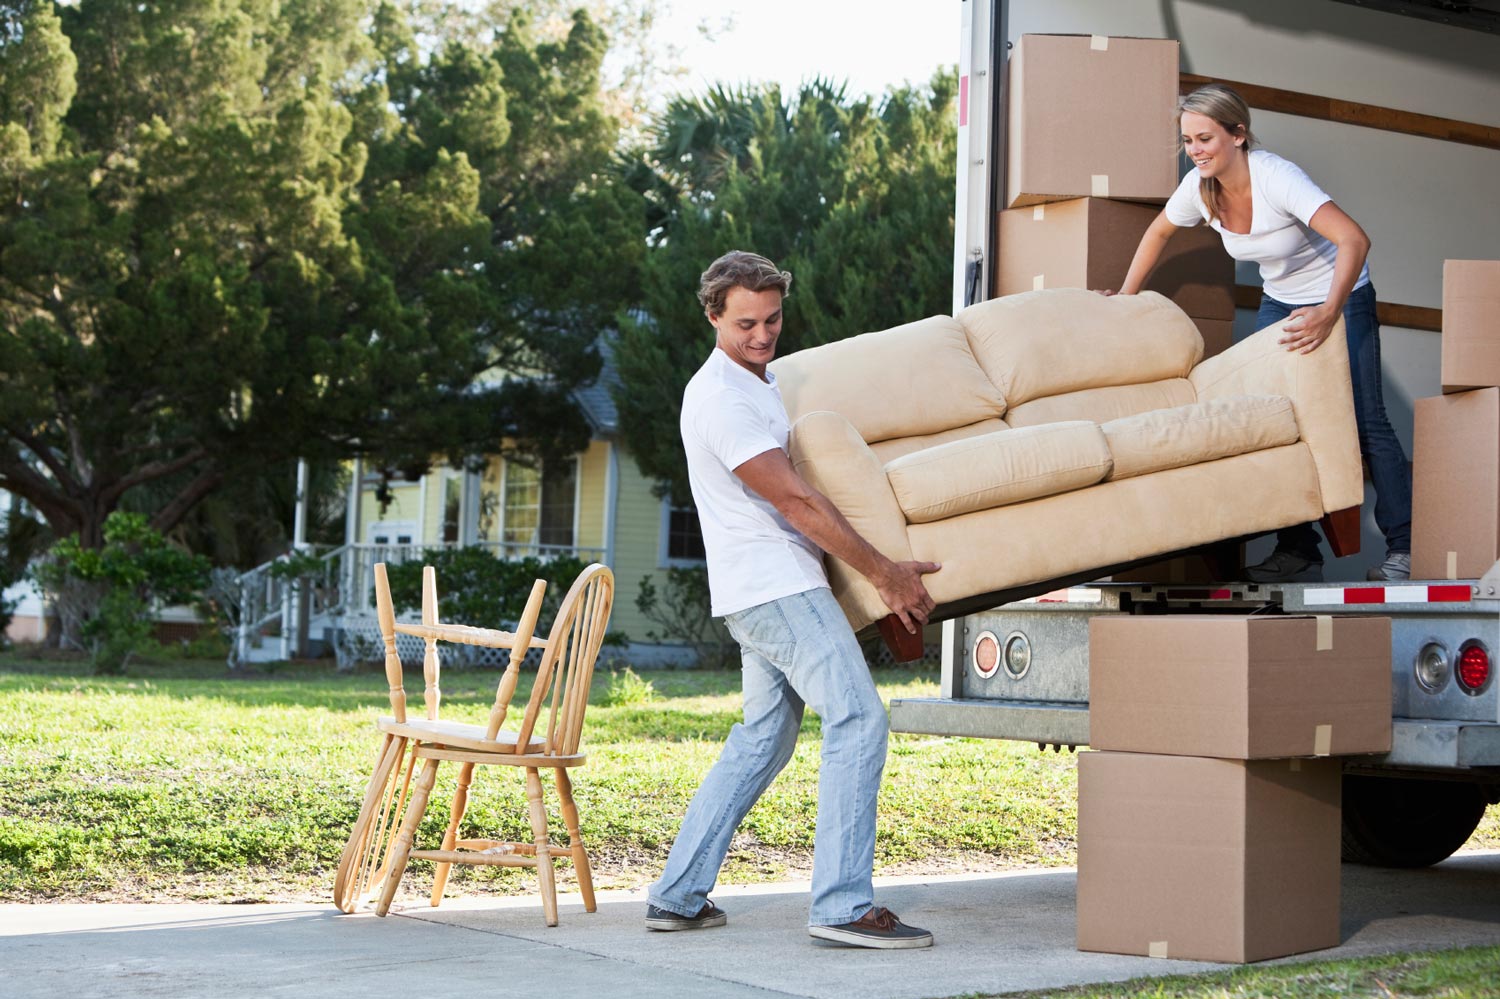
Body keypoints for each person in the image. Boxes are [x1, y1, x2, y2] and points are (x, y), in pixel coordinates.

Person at [644, 250, 941, 949]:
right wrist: (884, 573)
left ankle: (677, 894)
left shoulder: (757, 382)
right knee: (860, 717)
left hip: (759, 587)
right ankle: (841, 904)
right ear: (712, 314)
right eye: (745, 321)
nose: (762, 333)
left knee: (762, 739)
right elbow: (795, 500)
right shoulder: (722, 397)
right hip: (776, 584)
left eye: (773, 318)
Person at [1107, 83, 1411, 583]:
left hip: (1343, 294)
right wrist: (1124, 296)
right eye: (1187, 141)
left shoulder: (1277, 178)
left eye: (1204, 138)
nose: (1195, 151)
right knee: (1274, 421)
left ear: (1239, 134)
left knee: (1366, 418)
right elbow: (1158, 231)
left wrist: (1331, 310)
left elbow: (1354, 238)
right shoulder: (1200, 190)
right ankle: (1299, 548)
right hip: (1281, 301)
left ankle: (1401, 549)